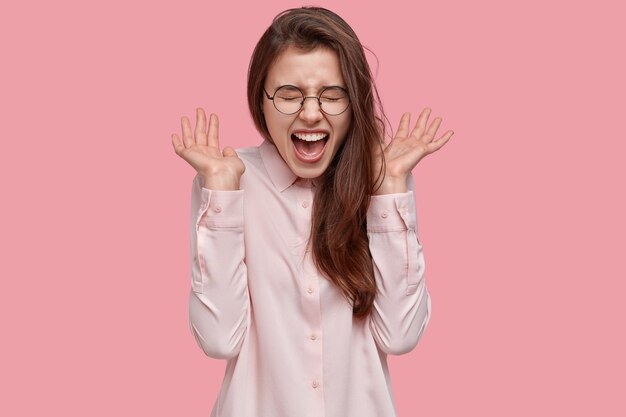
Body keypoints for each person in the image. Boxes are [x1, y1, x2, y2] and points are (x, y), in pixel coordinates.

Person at [171, 6, 453, 417]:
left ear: (353, 101)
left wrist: (390, 187)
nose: (310, 112)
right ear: (261, 101)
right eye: (288, 94)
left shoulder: (378, 181)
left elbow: (400, 335)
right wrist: (221, 194)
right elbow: (218, 339)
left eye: (332, 94)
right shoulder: (229, 181)